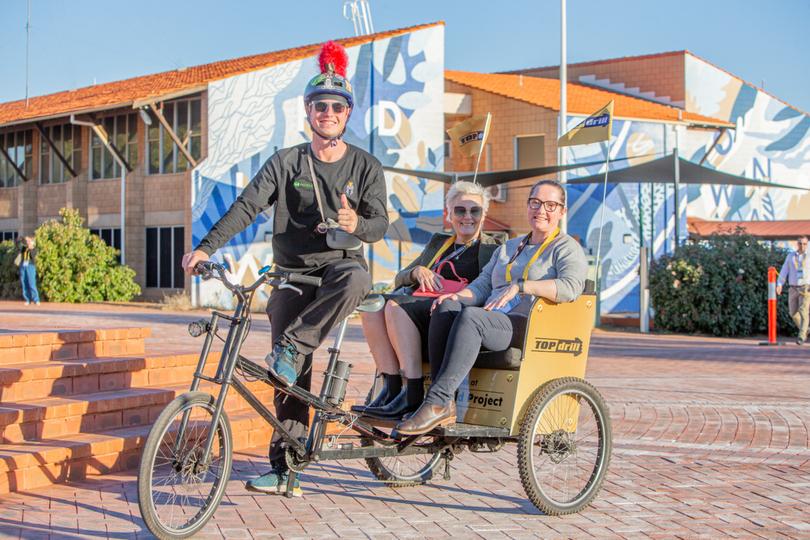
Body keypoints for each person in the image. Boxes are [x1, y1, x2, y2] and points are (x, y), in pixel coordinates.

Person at [181, 41, 388, 496]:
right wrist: (204, 247)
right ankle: (286, 468)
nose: (328, 112)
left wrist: (359, 222)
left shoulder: (365, 165)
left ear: (347, 113)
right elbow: (246, 206)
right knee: (287, 379)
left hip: (338, 271)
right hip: (292, 275)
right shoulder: (287, 161)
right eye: (320, 105)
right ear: (308, 111)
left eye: (336, 106)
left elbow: (380, 224)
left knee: (357, 277)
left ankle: (293, 349)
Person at [396, 179, 587, 436]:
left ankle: (438, 400)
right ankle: (438, 402)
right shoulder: (510, 247)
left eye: (551, 205)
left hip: (526, 323)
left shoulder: (565, 247)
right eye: (536, 203)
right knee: (447, 308)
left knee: (472, 317)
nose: (542, 210)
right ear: (528, 206)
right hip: (493, 317)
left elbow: (571, 286)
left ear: (562, 211)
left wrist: (522, 286)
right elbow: (483, 285)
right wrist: (457, 298)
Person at [357, 181, 501, 420]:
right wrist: (417, 272)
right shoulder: (439, 243)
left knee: (394, 305)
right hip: (422, 308)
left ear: (484, 215)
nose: (467, 217)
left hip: (455, 313)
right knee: (372, 306)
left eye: (474, 210)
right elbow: (400, 278)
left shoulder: (493, 248)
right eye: (460, 210)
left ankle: (412, 392)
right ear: (449, 214)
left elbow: (490, 288)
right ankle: (391, 389)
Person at [777, 235, 810, 345]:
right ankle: (806, 330)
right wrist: (779, 284)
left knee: (803, 310)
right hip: (793, 288)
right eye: (800, 243)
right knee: (793, 313)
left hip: (806, 288)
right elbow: (784, 270)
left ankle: (801, 336)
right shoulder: (791, 256)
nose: (802, 246)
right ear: (797, 244)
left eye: (805, 244)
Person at [17, 236, 41, 306]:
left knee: (32, 283)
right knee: (24, 283)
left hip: (30, 266)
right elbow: (17, 245)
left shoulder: (34, 250)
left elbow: (32, 256)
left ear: (33, 243)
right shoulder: (23, 248)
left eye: (29, 241)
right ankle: (27, 299)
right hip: (23, 266)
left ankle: (36, 299)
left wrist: (29, 248)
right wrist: (21, 239)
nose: (28, 243)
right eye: (27, 242)